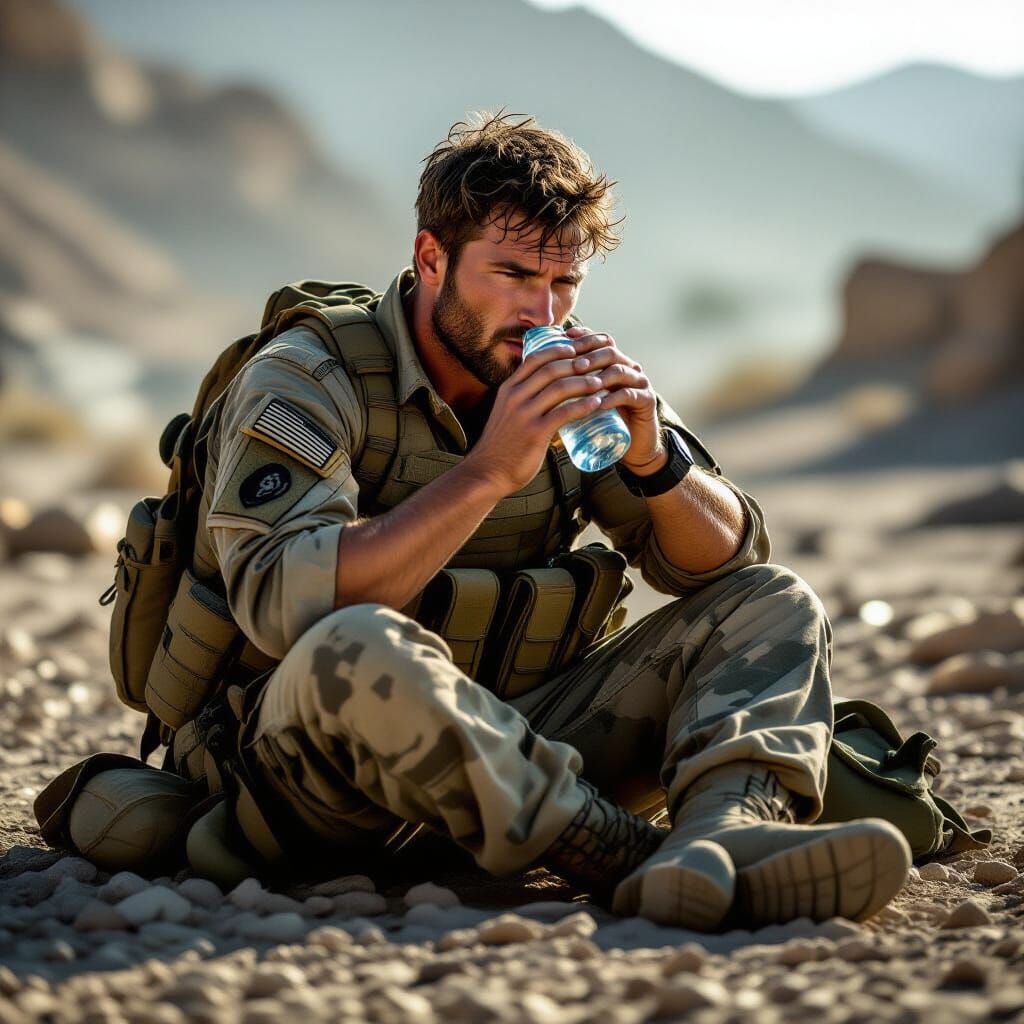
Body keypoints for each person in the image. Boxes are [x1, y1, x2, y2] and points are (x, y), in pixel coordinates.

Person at [157, 113, 911, 931]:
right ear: (431, 259)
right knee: (357, 642)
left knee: (778, 597)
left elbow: (726, 567)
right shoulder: (307, 378)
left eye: (564, 286)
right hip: (324, 772)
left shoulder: (563, 370)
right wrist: (488, 471)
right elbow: (283, 607)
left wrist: (657, 461)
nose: (541, 311)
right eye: (513, 276)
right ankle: (626, 856)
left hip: (520, 741)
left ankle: (725, 840)